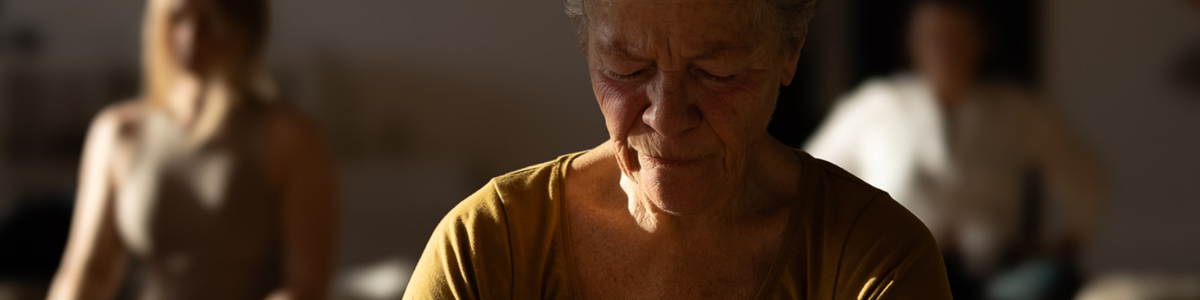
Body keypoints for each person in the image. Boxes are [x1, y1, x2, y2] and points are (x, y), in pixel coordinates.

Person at [403, 0, 953, 298]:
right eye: (628, 69)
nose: (666, 117)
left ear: (791, 51)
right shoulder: (488, 246)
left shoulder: (876, 262)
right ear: (587, 47)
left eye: (717, 73)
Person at [804, 0, 1105, 298]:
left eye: (957, 38)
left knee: (1055, 279)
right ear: (914, 42)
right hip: (895, 273)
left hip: (990, 280)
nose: (945, 50)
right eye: (934, 37)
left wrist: (1061, 246)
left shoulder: (1016, 111)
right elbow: (809, 177)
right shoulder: (877, 104)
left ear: (981, 41)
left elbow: (1088, 182)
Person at [47, 0, 337, 299]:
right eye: (177, 19)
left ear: (245, 29)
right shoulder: (118, 133)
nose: (190, 39)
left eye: (209, 23)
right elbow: (89, 271)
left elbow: (306, 287)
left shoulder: (292, 139)